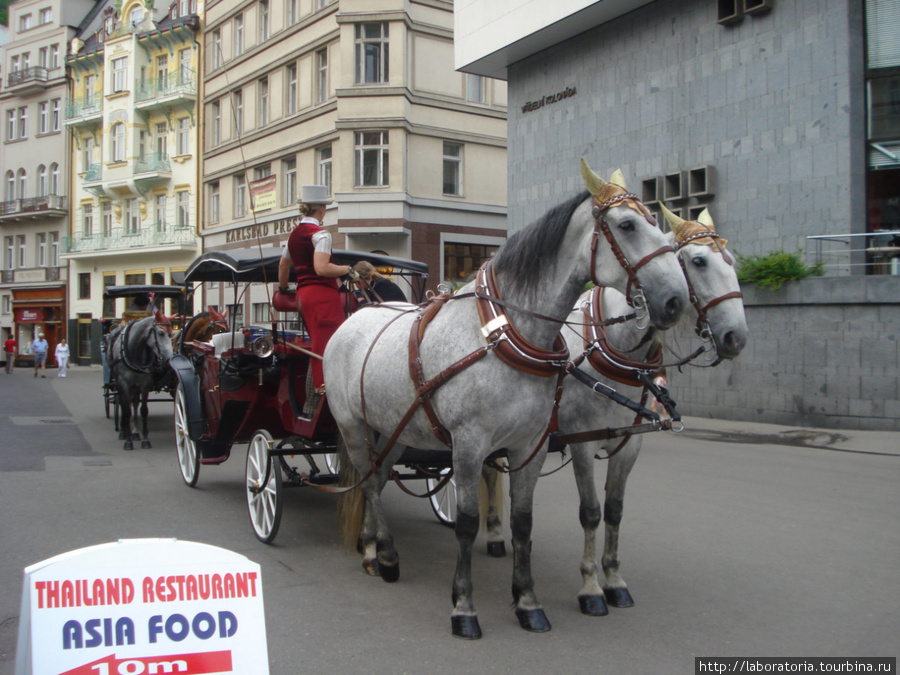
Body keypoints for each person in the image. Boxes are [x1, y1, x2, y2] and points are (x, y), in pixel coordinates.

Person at [278, 185, 357, 394]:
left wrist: (284, 288)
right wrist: (347, 269)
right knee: (330, 340)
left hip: (303, 296)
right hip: (322, 295)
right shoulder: (321, 234)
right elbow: (321, 268)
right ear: (322, 209)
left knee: (318, 339)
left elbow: (283, 266)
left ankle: (322, 385)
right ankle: (325, 387)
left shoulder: (293, 236)